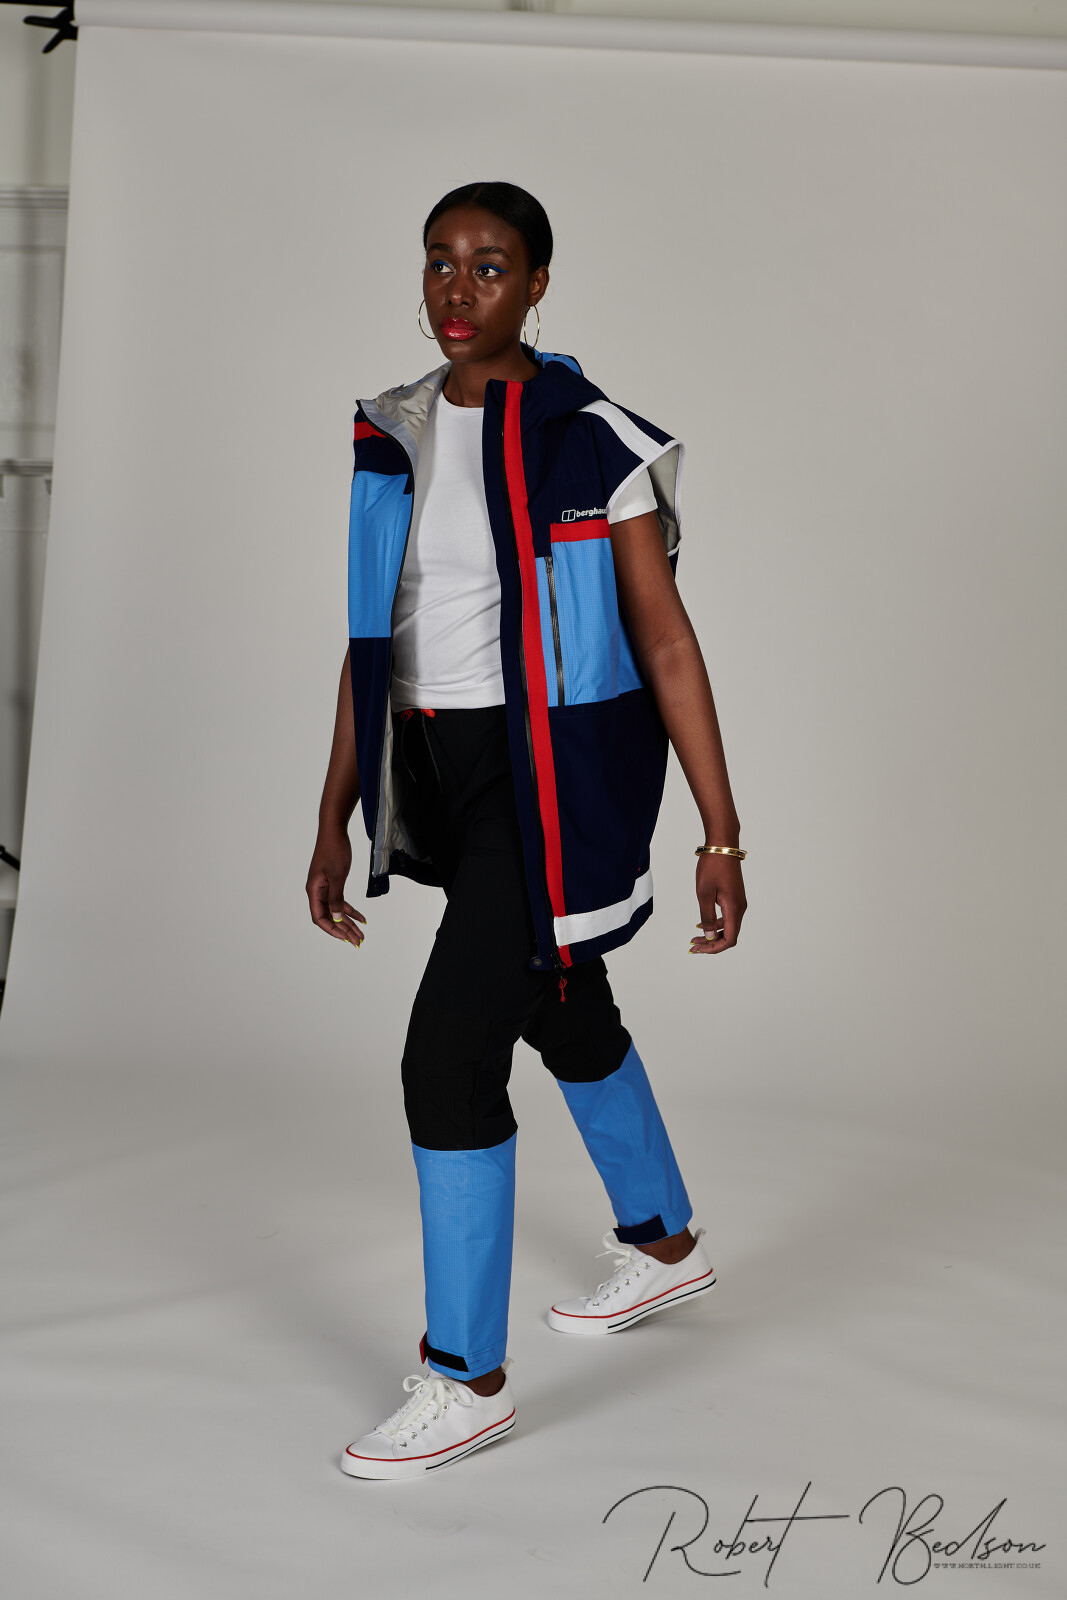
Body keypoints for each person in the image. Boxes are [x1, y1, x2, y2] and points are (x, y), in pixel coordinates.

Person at [305, 181, 747, 1481]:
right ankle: (665, 1244)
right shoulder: (391, 433)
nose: (459, 290)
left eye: (490, 266)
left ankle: (467, 1379)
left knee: (447, 1056)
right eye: (439, 263)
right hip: (433, 768)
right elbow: (368, 643)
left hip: (546, 774)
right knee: (559, 993)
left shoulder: (593, 442)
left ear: (538, 283)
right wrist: (333, 813)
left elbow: (666, 641)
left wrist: (721, 834)